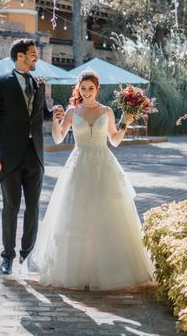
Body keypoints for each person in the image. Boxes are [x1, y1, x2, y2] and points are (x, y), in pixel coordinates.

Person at [26, 69, 155, 290]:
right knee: (77, 215)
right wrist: (57, 121)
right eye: (83, 88)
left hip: (104, 164)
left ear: (97, 89)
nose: (86, 92)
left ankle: (108, 270)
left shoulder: (107, 111)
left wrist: (125, 120)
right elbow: (57, 139)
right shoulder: (71, 111)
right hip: (78, 166)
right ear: (79, 89)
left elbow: (114, 140)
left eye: (90, 88)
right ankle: (79, 271)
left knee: (106, 214)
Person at [0, 39, 47, 275]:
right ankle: (7, 256)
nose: (35, 58)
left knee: (33, 208)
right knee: (11, 207)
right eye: (32, 54)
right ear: (20, 56)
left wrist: (56, 112)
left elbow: (40, 113)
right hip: (8, 158)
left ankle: (27, 253)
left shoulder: (38, 83)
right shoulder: (0, 83)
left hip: (35, 156)